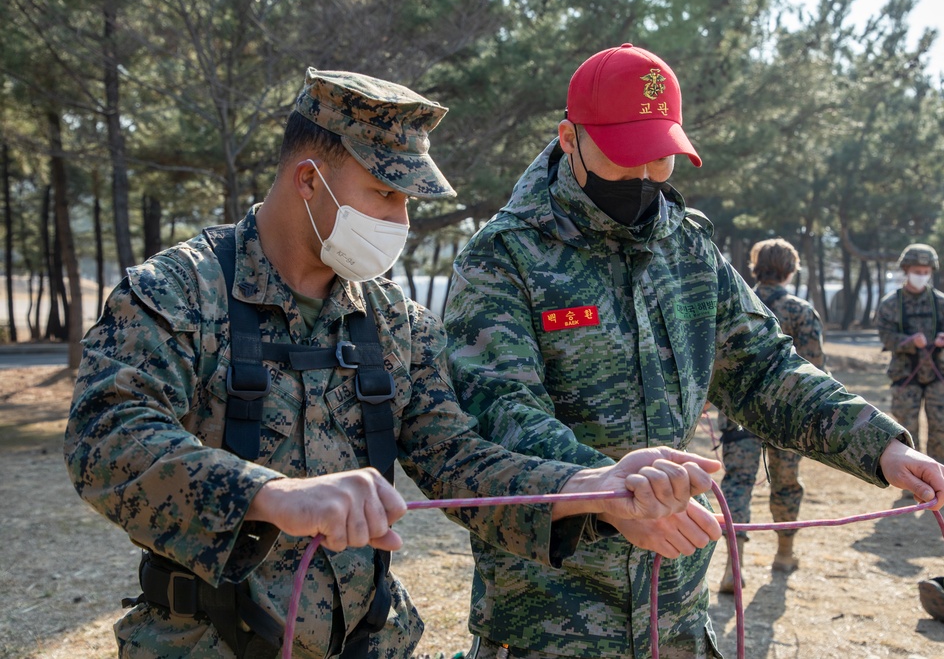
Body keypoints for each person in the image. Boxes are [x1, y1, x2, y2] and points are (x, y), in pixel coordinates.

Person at [63, 68, 726, 659]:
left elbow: (459, 462)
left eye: (409, 200)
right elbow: (106, 438)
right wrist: (274, 496)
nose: (400, 218)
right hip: (202, 640)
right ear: (308, 179)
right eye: (384, 193)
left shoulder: (396, 325)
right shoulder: (178, 292)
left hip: (370, 639)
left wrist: (591, 487)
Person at [442, 43, 944, 659]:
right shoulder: (503, 258)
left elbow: (763, 367)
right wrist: (605, 494)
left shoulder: (687, 245)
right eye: (626, 157)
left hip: (673, 606)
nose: (645, 177)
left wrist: (881, 445)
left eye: (661, 159)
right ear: (569, 139)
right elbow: (499, 414)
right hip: (552, 616)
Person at [715, 238, 825, 594]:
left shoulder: (736, 304)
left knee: (737, 484)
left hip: (738, 415)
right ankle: (784, 553)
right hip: (786, 418)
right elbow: (814, 369)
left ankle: (734, 567)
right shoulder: (801, 310)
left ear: (755, 266)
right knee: (786, 483)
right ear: (790, 270)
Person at [875, 244, 944, 470]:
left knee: (941, 431)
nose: (921, 276)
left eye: (926, 272)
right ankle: (910, 483)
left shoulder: (943, 303)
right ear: (906, 270)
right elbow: (885, 336)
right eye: (917, 271)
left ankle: (940, 482)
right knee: (905, 435)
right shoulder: (890, 304)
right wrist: (909, 341)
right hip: (905, 377)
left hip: (938, 375)